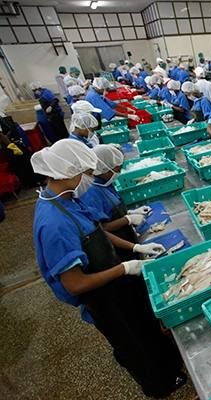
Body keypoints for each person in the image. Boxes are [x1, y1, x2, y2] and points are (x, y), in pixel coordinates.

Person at [31, 140, 186, 398]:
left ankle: (166, 366)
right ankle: (160, 387)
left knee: (142, 328)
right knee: (131, 344)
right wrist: (124, 268)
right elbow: (75, 283)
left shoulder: (68, 199)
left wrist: (135, 248)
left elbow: (97, 231)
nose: (90, 179)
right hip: (103, 299)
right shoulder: (54, 224)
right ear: (68, 173)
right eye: (87, 173)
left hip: (114, 282)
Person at [81, 144, 150, 261]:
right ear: (105, 170)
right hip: (116, 246)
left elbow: (110, 208)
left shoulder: (104, 182)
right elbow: (101, 229)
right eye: (117, 169)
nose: (118, 172)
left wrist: (130, 212)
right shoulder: (90, 193)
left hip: (126, 235)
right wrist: (128, 219)